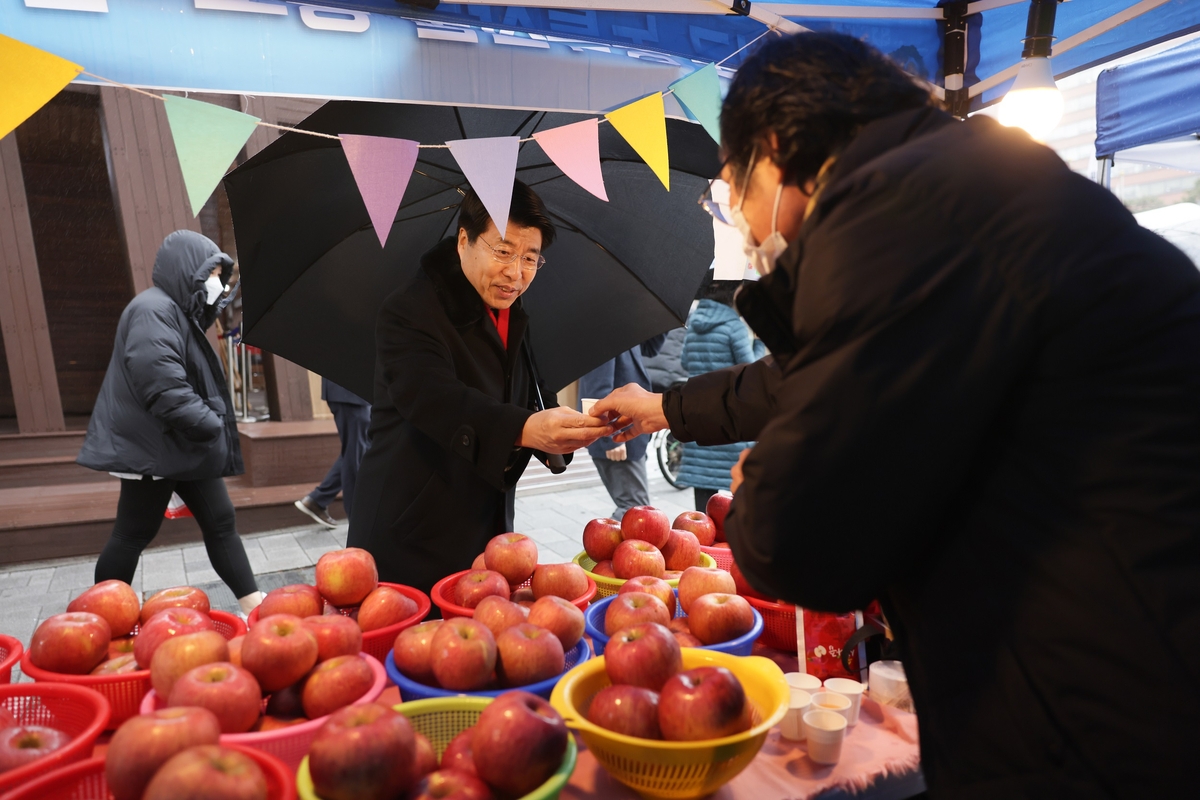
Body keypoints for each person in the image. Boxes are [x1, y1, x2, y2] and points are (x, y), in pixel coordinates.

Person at [594, 31, 1200, 797]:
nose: (743, 222)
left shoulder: (891, 211)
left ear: (775, 150)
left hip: (1106, 699)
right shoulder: (970, 191)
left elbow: (798, 541)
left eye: (732, 188)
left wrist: (763, 481)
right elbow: (828, 377)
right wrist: (665, 406)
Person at [347, 181, 611, 593]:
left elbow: (530, 396)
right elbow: (433, 398)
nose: (515, 273)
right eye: (503, 251)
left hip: (486, 524)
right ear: (464, 240)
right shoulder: (410, 309)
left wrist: (574, 427)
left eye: (530, 258)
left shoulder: (513, 311)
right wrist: (525, 429)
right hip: (412, 525)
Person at [78, 230, 263, 614]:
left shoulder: (175, 311)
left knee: (221, 521)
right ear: (188, 271)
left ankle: (254, 606)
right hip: (156, 445)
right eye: (212, 273)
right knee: (133, 532)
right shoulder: (153, 310)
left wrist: (206, 426)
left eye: (220, 275)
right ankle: (97, 617)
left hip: (181, 441)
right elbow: (162, 387)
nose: (217, 283)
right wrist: (212, 425)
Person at [676, 276, 764, 511]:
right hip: (727, 418)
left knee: (702, 511)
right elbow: (751, 370)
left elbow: (685, 361)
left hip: (699, 416)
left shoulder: (694, 322)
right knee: (734, 504)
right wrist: (759, 344)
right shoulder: (733, 326)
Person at [577, 335, 665, 520]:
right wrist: (611, 437)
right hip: (617, 437)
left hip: (629, 434)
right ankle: (606, 548)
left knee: (636, 510)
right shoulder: (604, 332)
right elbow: (597, 391)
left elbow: (650, 349)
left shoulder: (625, 328)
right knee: (634, 511)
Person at [295, 377, 371, 527]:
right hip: (351, 393)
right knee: (355, 456)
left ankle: (318, 500)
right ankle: (358, 523)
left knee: (356, 451)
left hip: (352, 393)